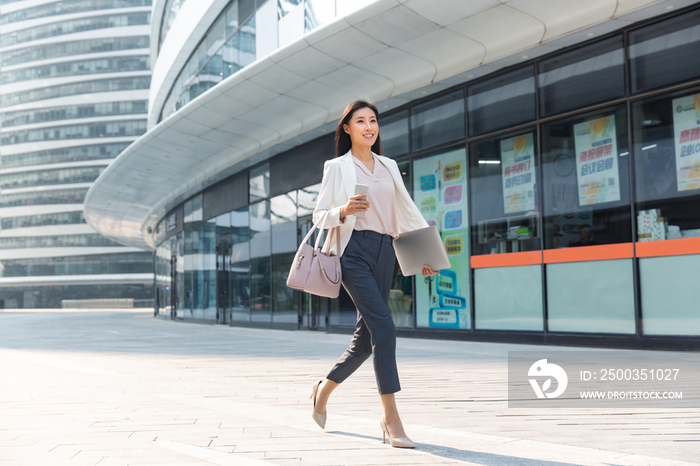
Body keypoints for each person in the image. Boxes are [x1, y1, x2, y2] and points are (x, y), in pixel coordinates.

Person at [309, 100, 439, 449]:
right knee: (385, 328)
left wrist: (423, 254)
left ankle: (324, 389)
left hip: (386, 252)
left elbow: (406, 212)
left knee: (365, 342)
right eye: (360, 121)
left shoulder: (389, 166)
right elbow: (318, 216)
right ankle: (390, 417)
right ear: (347, 128)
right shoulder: (337, 167)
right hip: (352, 253)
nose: (369, 126)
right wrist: (343, 209)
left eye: (373, 120)